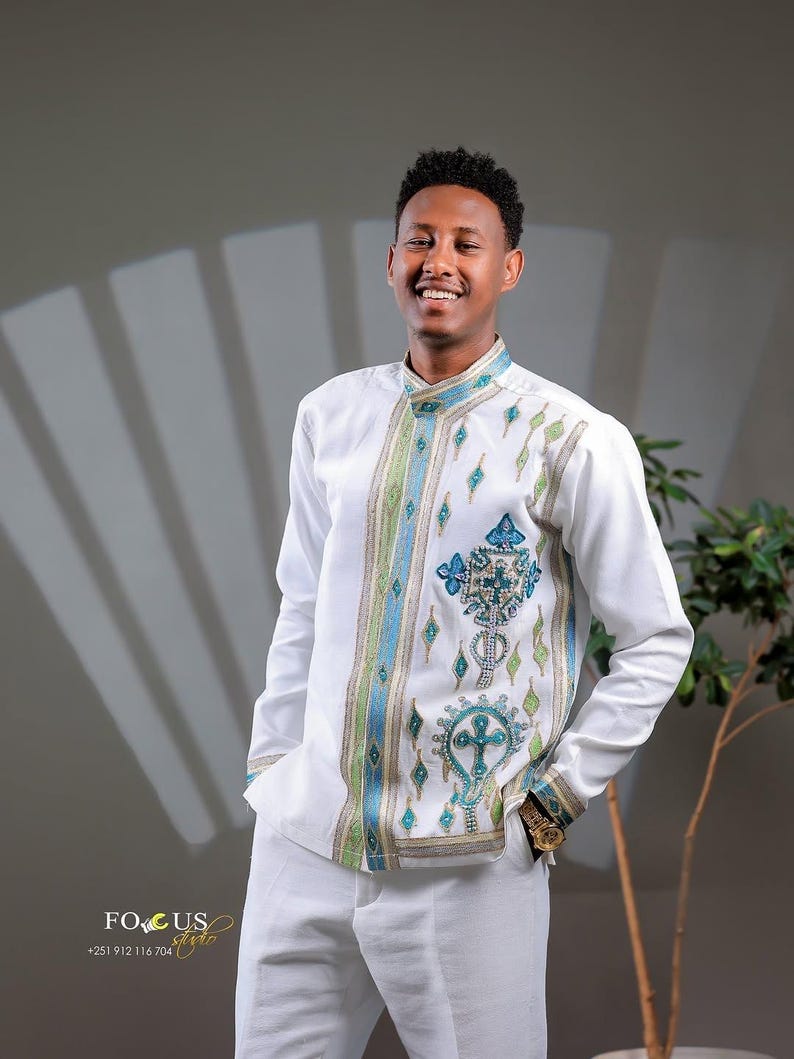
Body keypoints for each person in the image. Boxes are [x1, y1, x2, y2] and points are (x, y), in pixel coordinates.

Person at [234, 146, 694, 1059]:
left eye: (466, 242)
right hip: (305, 840)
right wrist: (273, 761)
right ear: (392, 257)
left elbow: (656, 639)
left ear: (508, 268)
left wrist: (554, 801)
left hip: (471, 859)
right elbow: (299, 603)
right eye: (420, 239)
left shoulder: (571, 439)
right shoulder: (330, 416)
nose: (437, 259)